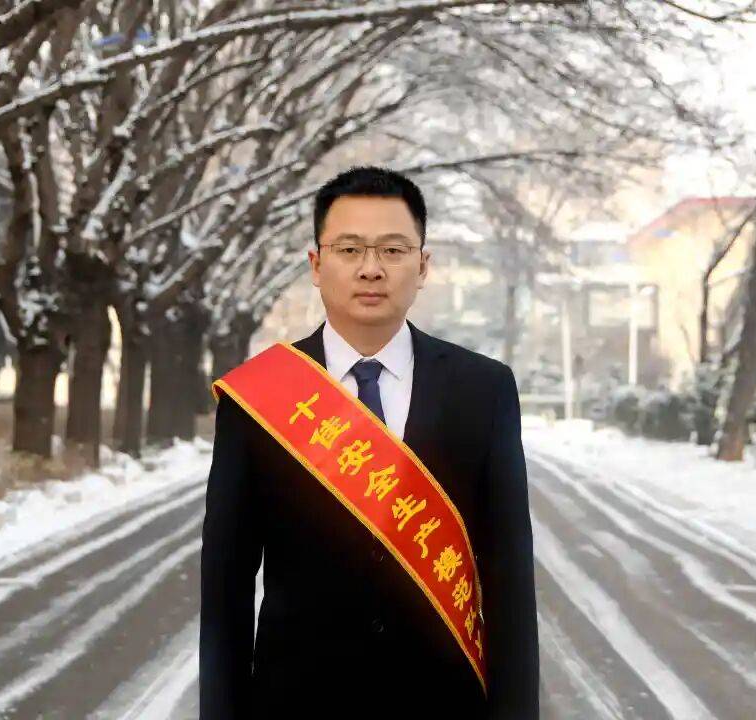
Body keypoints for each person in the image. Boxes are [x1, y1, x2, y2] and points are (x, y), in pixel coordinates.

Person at [199, 166, 539, 719]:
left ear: (422, 266)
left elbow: (510, 580)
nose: (371, 269)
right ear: (316, 265)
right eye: (350, 249)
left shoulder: (484, 389)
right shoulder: (258, 396)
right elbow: (225, 591)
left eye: (393, 250)